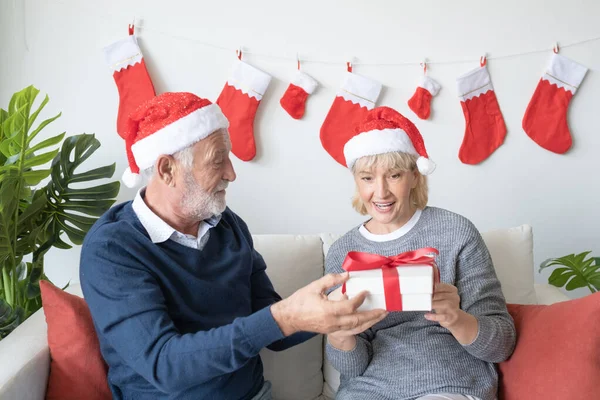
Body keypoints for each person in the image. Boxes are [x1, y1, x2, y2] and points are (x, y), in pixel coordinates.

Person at [80, 92, 387, 400]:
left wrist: (347, 299)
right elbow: (164, 364)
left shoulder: (226, 225)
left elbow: (272, 327)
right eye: (218, 160)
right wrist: (285, 317)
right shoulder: (113, 249)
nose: (231, 173)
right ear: (167, 170)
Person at [324, 106, 516, 400]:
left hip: (448, 384)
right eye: (367, 178)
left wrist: (456, 318)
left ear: (415, 176)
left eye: (394, 175)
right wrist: (339, 332)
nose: (381, 192)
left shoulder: (456, 232)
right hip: (368, 390)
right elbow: (354, 367)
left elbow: (502, 345)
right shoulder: (344, 253)